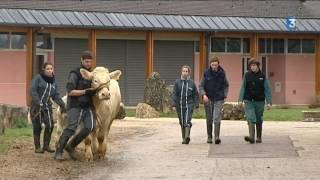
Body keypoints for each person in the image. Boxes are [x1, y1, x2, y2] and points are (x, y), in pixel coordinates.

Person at [54, 51, 97, 161]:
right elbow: (70, 92)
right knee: (71, 128)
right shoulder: (75, 73)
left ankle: (71, 146)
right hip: (75, 105)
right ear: (81, 60)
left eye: (90, 62)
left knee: (89, 127)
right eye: (86, 61)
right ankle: (59, 151)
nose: (88, 64)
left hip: (88, 106)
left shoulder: (92, 74)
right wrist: (85, 91)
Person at [30, 62, 66, 153]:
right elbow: (33, 91)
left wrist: (62, 105)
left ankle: (46, 146)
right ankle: (37, 147)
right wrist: (38, 102)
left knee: (50, 125)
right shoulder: (38, 78)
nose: (50, 70)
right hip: (36, 106)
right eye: (48, 69)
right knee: (37, 127)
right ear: (44, 69)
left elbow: (56, 95)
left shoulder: (54, 81)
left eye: (51, 69)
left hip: (47, 107)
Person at [239, 58, 272, 144]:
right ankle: (251, 137)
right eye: (251, 66)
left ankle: (259, 137)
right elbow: (243, 87)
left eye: (254, 66)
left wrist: (269, 102)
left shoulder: (263, 76)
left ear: (258, 66)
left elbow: (267, 89)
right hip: (249, 100)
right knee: (250, 117)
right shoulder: (247, 75)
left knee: (258, 119)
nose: (253, 67)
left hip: (259, 101)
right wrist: (240, 100)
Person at [199, 57, 229, 144]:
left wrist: (225, 94)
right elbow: (201, 86)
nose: (214, 66)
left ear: (218, 64)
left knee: (216, 118)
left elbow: (226, 85)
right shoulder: (206, 73)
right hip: (208, 98)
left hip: (219, 98)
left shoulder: (222, 73)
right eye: (212, 65)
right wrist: (203, 94)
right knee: (209, 118)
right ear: (210, 65)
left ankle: (216, 137)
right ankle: (209, 136)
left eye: (215, 65)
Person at [172, 65, 199, 144]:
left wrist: (196, 105)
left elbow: (195, 95)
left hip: (189, 105)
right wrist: (173, 104)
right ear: (181, 72)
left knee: (187, 120)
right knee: (182, 121)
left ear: (189, 73)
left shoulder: (192, 83)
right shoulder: (177, 82)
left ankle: (187, 136)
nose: (185, 73)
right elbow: (174, 94)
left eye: (186, 71)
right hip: (179, 105)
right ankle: (184, 138)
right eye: (183, 71)